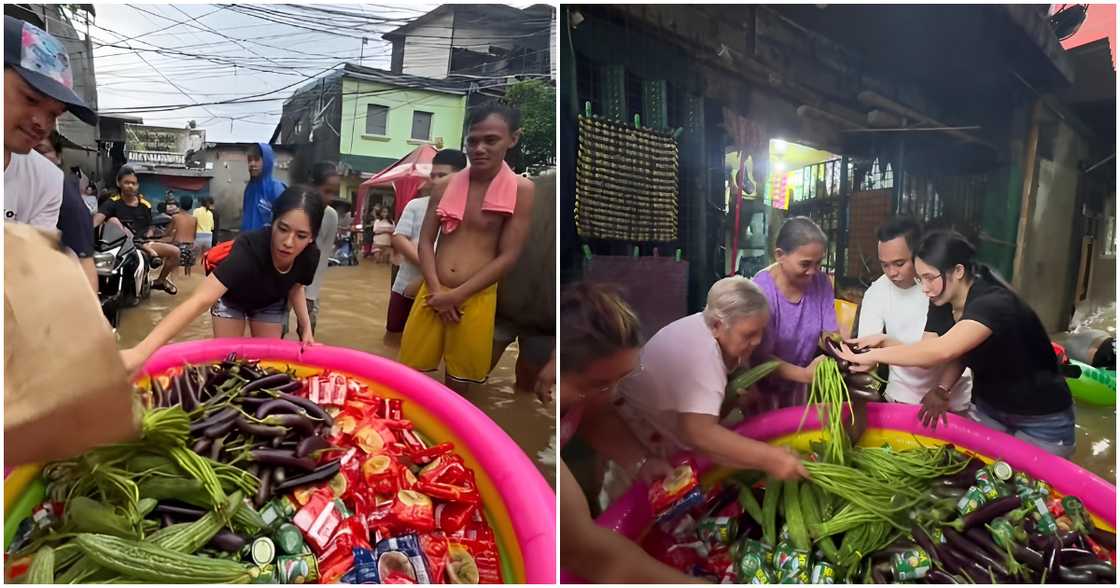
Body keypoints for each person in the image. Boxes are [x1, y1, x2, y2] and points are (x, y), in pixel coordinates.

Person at [839, 230, 1076, 457]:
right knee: (985, 481)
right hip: (989, 408)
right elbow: (931, 352)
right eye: (920, 279)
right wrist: (885, 342)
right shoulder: (943, 300)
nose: (924, 288)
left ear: (959, 270)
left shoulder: (992, 303)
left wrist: (873, 356)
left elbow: (941, 351)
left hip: (1041, 417)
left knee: (1033, 489)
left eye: (930, 278)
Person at [557, 283, 703, 584]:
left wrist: (639, 461)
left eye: (620, 380)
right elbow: (586, 553)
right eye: (596, 384)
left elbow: (594, 418)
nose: (610, 395)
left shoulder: (586, 394)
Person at [612, 276, 813, 477]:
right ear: (717, 325)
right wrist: (772, 458)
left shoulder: (709, 327)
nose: (758, 340)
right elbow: (697, 432)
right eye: (749, 335)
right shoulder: (703, 354)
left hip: (658, 423)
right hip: (635, 432)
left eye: (761, 331)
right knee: (639, 496)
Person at [399, 102, 535, 394]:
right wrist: (438, 291)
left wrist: (458, 295)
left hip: (475, 298)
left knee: (460, 384)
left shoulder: (522, 190)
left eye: (491, 140)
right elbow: (425, 241)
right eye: (473, 141)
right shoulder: (444, 185)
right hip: (433, 292)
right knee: (410, 377)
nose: (479, 148)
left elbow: (509, 254)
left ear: (513, 138)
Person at [121, 186, 323, 373]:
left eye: (301, 235)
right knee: (228, 366)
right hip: (232, 300)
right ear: (273, 222)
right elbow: (199, 300)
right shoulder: (249, 249)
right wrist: (141, 352)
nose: (288, 242)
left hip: (268, 304)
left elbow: (296, 288)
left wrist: (305, 329)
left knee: (266, 368)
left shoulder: (310, 256)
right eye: (283, 229)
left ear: (312, 237)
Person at [856, 217, 972, 422]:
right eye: (885, 265)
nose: (892, 273)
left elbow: (934, 353)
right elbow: (868, 352)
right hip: (901, 397)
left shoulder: (941, 287)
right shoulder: (876, 292)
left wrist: (883, 343)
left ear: (918, 254)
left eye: (900, 263)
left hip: (949, 399)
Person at [4, 16, 97, 229]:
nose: (42, 124)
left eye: (54, 114)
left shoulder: (47, 181)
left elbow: (32, 259)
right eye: (31, 99)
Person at [750, 216, 840, 411]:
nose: (813, 272)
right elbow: (759, 357)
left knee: (797, 434)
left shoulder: (821, 283)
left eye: (818, 263)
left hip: (800, 384)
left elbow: (830, 334)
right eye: (805, 264)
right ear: (780, 255)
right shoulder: (760, 292)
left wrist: (839, 353)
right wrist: (805, 375)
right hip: (762, 385)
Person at [388, 149, 467, 333]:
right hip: (406, 285)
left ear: (462, 177)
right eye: (433, 175)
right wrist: (431, 267)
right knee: (394, 333)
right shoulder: (416, 205)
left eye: (443, 175)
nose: (436, 180)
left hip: (446, 293)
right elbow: (399, 238)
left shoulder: (470, 210)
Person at [94, 166, 182, 295]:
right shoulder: (111, 203)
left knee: (175, 251)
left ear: (137, 185)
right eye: (127, 182)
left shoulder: (145, 204)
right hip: (119, 246)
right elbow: (96, 221)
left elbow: (151, 225)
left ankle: (160, 281)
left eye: (133, 183)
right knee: (113, 220)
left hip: (144, 243)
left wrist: (150, 233)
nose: (130, 186)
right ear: (119, 183)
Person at [34, 131, 96, 293]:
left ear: (58, 156)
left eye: (41, 151)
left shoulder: (65, 194)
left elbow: (84, 260)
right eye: (29, 150)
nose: (33, 158)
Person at [284, 161, 340, 340]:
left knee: (308, 330)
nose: (330, 198)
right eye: (326, 191)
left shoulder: (331, 217)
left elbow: (322, 257)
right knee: (278, 326)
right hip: (282, 281)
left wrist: (312, 293)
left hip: (308, 283)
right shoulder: (295, 210)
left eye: (334, 193)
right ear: (312, 186)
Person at [241, 143, 286, 231]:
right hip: (248, 241)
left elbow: (284, 223)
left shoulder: (276, 189)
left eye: (257, 159)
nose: (252, 164)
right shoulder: (249, 189)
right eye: (249, 160)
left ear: (267, 162)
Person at [163, 195, 199, 276]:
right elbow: (194, 235)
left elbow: (167, 233)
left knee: (174, 271)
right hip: (190, 247)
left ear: (180, 204)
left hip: (178, 246)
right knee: (188, 273)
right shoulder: (194, 219)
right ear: (191, 206)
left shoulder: (175, 217)